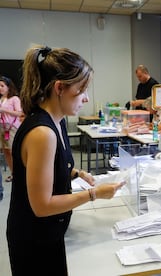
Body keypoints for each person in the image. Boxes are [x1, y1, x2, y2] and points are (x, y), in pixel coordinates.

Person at [6, 45, 124, 275]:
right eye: (81, 90)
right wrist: (94, 194)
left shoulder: (57, 122)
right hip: (34, 239)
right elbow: (42, 206)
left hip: (50, 231)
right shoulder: (43, 133)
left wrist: (77, 173)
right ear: (59, 88)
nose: (86, 98)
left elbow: (45, 166)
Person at [0, 76, 23, 182]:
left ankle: (20, 173)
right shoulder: (1, 99)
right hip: (2, 128)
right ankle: (13, 173)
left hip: (12, 128)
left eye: (2, 86)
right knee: (6, 151)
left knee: (14, 151)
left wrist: (3, 110)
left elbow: (19, 113)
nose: (0, 88)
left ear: (8, 87)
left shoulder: (14, 99)